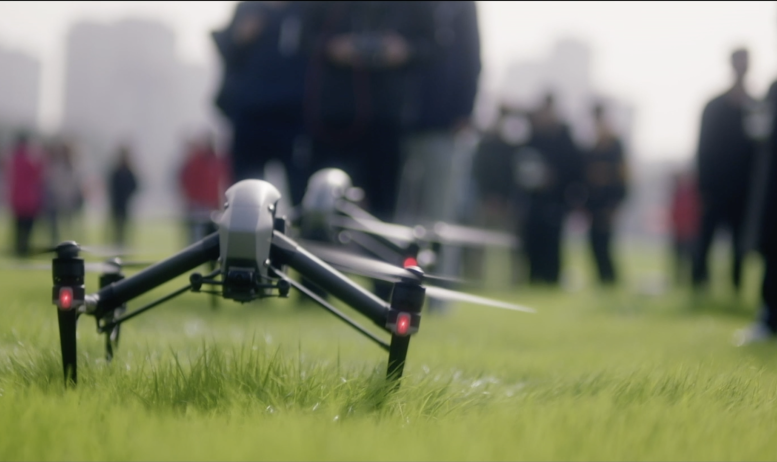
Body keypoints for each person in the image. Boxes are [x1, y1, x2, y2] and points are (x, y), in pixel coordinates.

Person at [301, 1, 437, 222]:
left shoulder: (418, 6)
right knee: (324, 201)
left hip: (387, 117)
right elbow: (303, 37)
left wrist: (405, 50)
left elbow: (433, 47)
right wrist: (332, 47)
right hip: (334, 117)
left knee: (383, 206)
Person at [212, 1, 308, 205]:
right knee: (245, 191)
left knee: (301, 191)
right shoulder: (248, 9)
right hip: (250, 114)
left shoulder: (304, 10)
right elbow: (228, 52)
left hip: (294, 116)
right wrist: (240, 37)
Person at [692, 48, 757, 295]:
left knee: (739, 243)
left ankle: (736, 286)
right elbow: (703, 148)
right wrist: (703, 187)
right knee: (705, 238)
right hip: (715, 188)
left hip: (744, 190)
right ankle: (699, 282)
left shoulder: (754, 106)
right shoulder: (714, 106)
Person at [520, 93, 585, 285]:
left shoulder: (565, 138)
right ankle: (534, 278)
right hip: (534, 201)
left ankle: (552, 279)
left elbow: (575, 171)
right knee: (532, 243)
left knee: (553, 245)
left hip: (557, 200)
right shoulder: (534, 135)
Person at [582, 103, 628, 285]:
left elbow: (624, 177)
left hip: (609, 205)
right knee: (594, 244)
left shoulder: (615, 146)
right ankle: (602, 279)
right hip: (594, 205)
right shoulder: (592, 147)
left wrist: (615, 205)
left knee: (606, 244)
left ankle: (610, 280)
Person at [178, 132, 230, 245]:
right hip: (198, 204)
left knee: (211, 233)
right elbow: (189, 181)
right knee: (196, 234)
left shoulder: (218, 161)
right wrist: (191, 199)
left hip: (212, 204)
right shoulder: (196, 161)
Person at [4, 131, 45, 257]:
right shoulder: (29, 159)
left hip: (16, 198)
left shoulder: (12, 159)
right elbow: (38, 174)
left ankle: (18, 248)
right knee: (27, 227)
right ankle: (24, 249)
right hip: (28, 199)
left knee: (18, 226)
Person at [43, 139, 84, 246]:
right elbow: (53, 182)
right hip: (58, 200)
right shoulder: (57, 165)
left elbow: (77, 183)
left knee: (70, 225)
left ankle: (71, 244)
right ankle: (57, 244)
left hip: (70, 201)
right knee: (56, 226)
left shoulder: (75, 165)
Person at [668, 170, 700, 286]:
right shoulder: (677, 194)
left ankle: (693, 281)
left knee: (692, 258)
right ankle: (678, 280)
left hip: (691, 232)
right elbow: (673, 212)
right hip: (678, 232)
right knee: (678, 259)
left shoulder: (692, 193)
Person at [107, 145, 138, 248]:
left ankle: (124, 245)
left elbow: (135, 186)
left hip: (126, 204)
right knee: (116, 228)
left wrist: (128, 195)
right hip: (116, 204)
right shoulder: (116, 171)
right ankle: (116, 245)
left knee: (125, 228)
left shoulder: (129, 171)